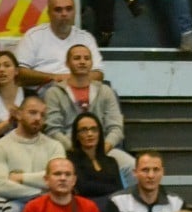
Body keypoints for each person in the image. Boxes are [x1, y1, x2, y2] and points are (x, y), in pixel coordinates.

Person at [43, 44, 134, 184]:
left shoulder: (105, 91)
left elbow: (116, 127)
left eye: (86, 58)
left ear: (91, 63)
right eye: (77, 58)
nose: (82, 61)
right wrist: (76, 149)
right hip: (67, 150)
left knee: (132, 167)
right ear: (67, 63)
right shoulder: (54, 93)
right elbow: (52, 129)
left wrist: (102, 149)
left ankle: (129, 205)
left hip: (103, 149)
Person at [0, 95, 65, 212]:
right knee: (12, 210)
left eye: (42, 115)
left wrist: (20, 178)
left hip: (50, 203)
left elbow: (58, 179)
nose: (38, 118)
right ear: (18, 115)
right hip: (16, 203)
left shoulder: (55, 146)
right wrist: (39, 193)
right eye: (33, 113)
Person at [15, 0, 104, 89]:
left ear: (74, 12)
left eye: (69, 9)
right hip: (44, 92)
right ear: (49, 13)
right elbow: (20, 72)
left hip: (79, 91)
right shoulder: (33, 36)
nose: (64, 14)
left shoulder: (86, 38)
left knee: (108, 93)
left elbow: (98, 74)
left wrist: (70, 79)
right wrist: (54, 77)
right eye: (58, 10)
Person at [67, 112, 123, 212]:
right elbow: (83, 189)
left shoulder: (111, 162)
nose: (90, 134)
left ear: (99, 133)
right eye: (84, 130)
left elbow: (119, 193)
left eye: (94, 129)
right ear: (76, 136)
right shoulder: (70, 162)